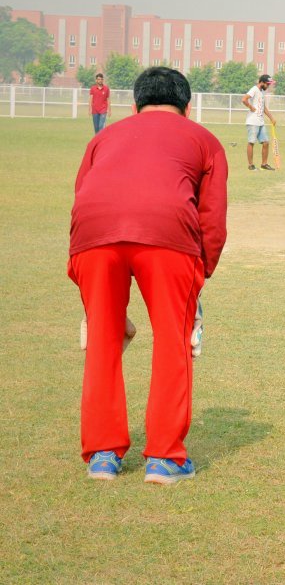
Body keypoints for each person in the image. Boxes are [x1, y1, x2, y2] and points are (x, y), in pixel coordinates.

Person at [69, 66, 227, 484]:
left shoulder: (102, 138)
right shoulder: (204, 140)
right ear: (187, 107)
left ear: (135, 106)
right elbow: (211, 219)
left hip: (94, 235)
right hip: (169, 236)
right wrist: (201, 275)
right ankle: (164, 458)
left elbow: (82, 200)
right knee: (173, 341)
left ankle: (102, 455)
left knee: (104, 339)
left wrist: (84, 287)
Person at [241, 74, 276, 171]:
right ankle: (251, 165)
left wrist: (271, 118)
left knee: (265, 142)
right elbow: (244, 99)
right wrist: (250, 107)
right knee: (251, 142)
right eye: (267, 84)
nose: (268, 86)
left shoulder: (261, 93)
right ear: (262, 82)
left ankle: (264, 164)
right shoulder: (254, 89)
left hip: (260, 122)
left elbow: (263, 107)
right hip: (252, 121)